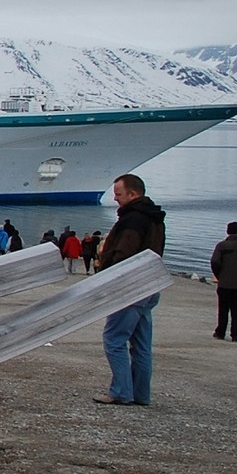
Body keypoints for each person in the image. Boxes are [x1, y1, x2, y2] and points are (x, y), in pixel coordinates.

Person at [95, 173, 166, 406]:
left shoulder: (133, 220)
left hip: (130, 286)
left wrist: (107, 276)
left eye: (118, 194)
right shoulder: (155, 218)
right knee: (142, 344)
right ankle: (141, 394)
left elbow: (123, 253)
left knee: (114, 338)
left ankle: (121, 392)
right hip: (150, 284)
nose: (115, 199)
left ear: (133, 194)